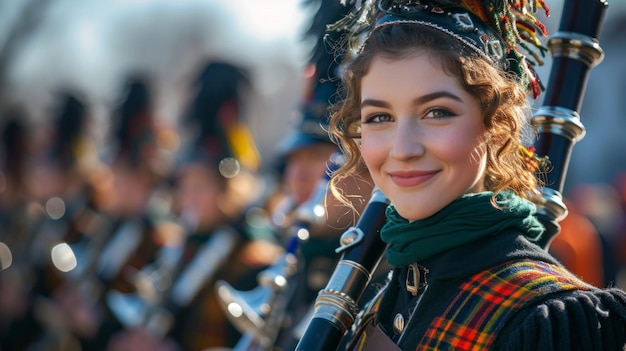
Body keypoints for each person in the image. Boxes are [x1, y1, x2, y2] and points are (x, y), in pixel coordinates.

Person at [323, 0, 626, 349]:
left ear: (496, 128)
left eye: (436, 112)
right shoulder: (382, 299)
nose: (402, 149)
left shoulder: (547, 318)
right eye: (379, 117)